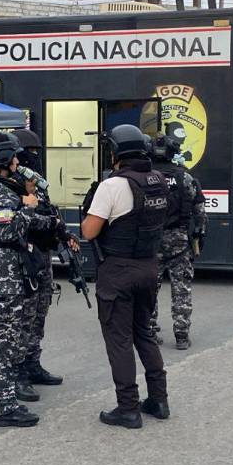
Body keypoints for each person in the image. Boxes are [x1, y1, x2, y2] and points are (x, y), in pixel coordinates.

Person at [81, 124, 171, 429]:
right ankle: (159, 399)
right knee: (143, 331)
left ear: (115, 151)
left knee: (119, 340)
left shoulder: (113, 186)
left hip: (118, 270)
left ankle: (128, 407)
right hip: (148, 266)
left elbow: (89, 230)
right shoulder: (157, 179)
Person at [0, 131, 58, 428]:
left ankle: (0, 403)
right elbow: (8, 231)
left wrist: (49, 222)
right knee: (0, 341)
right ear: (4, 159)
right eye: (15, 155)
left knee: (3, 338)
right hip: (1, 272)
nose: (20, 160)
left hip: (3, 270)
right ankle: (2, 407)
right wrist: (29, 206)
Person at [10, 129, 74, 400]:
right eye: (29, 154)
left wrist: (65, 235)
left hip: (43, 257)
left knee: (39, 314)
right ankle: (19, 374)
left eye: (37, 153)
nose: (34, 159)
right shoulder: (11, 186)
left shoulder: (37, 184)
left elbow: (51, 214)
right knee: (23, 318)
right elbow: (19, 222)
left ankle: (33, 364)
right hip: (25, 259)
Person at [149, 130, 207, 350]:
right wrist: (199, 234)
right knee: (181, 289)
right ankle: (181, 335)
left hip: (151, 241)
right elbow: (199, 210)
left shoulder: (146, 178)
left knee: (149, 290)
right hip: (179, 241)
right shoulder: (185, 177)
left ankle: (149, 331)